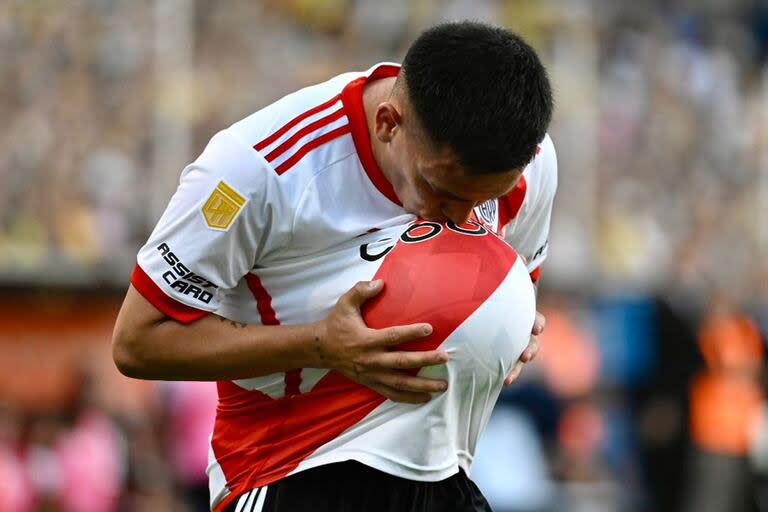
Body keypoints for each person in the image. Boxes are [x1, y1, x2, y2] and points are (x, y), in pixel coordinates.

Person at [112, 21, 556, 511]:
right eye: (443, 192)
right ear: (389, 123)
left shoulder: (531, 162)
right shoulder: (255, 170)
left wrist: (513, 328)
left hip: (444, 473)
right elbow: (138, 341)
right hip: (293, 468)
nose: (462, 221)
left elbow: (515, 284)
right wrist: (322, 345)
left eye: (484, 201)